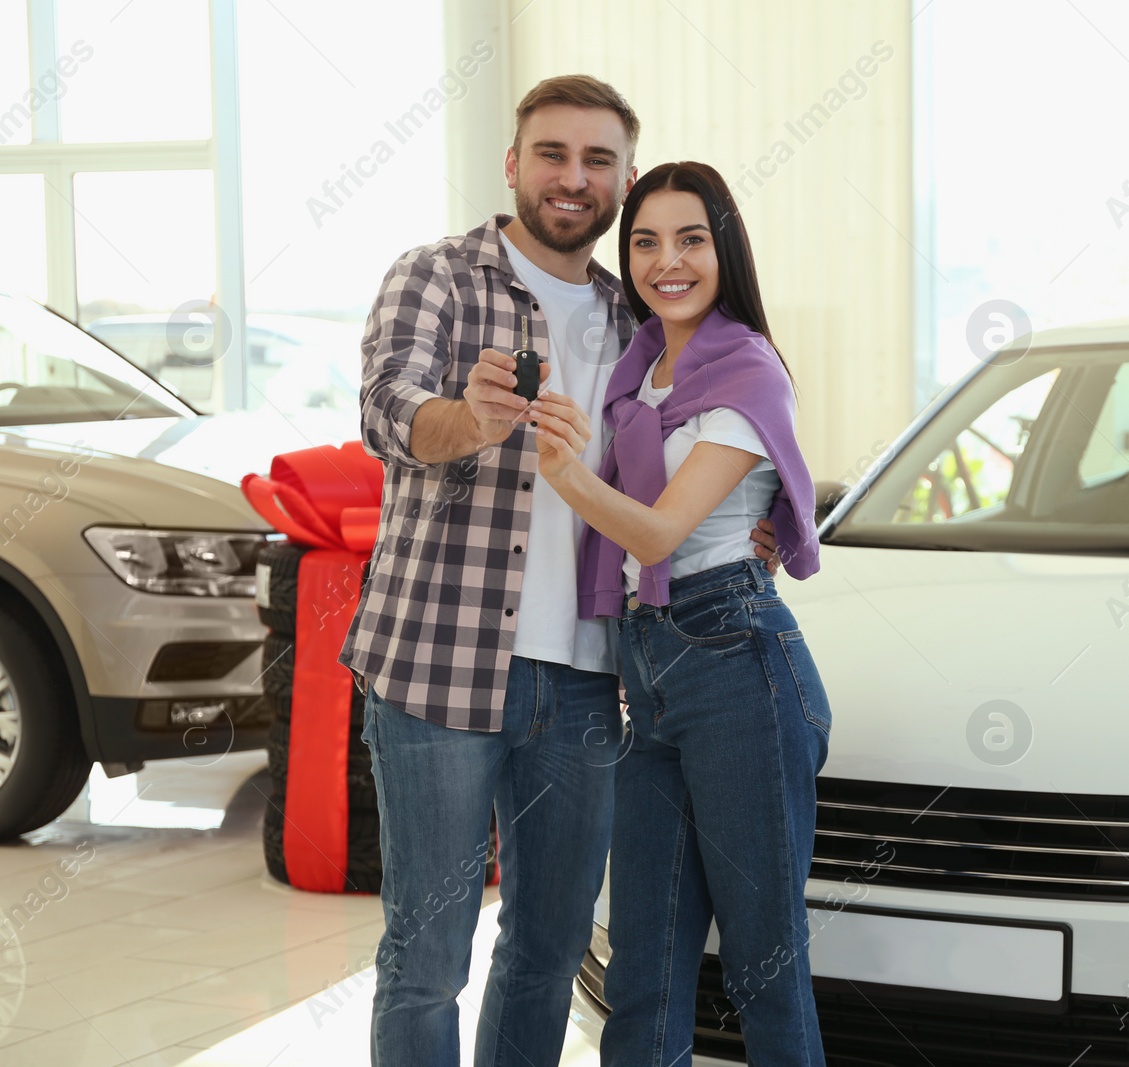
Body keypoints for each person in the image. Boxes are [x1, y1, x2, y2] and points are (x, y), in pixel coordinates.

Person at [339, 78, 782, 1065]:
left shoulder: (639, 319)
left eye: (596, 161)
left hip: (586, 677)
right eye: (552, 154)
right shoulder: (438, 277)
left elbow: (705, 438)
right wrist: (472, 419)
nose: (572, 178)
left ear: (623, 178)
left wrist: (748, 522)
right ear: (513, 164)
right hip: (435, 669)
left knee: (545, 950)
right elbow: (387, 410)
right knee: (426, 955)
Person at [530, 161, 832, 1067]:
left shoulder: (746, 370)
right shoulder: (641, 373)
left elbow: (659, 534)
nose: (668, 261)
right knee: (643, 968)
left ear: (724, 248)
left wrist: (566, 473)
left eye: (691, 239)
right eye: (647, 240)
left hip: (738, 660)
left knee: (763, 963)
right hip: (650, 664)